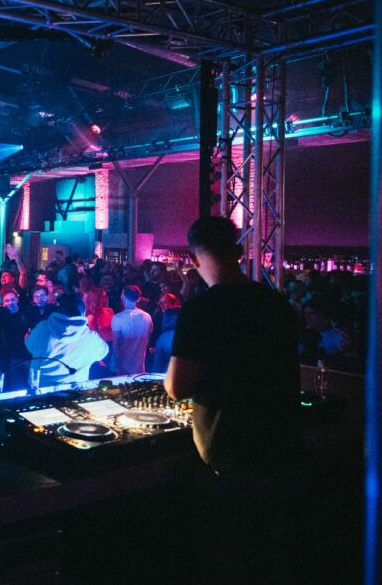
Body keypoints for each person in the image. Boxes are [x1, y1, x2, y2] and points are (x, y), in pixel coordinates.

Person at [165, 216, 301, 583]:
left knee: (228, 558)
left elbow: (177, 387)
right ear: (238, 252)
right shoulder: (276, 305)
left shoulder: (199, 311)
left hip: (232, 458)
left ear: (194, 259)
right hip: (282, 448)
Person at [25, 293, 108, 387]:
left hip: (42, 389)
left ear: (59, 309)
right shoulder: (91, 337)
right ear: (83, 312)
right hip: (76, 389)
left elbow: (30, 346)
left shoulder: (43, 328)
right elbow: (104, 352)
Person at [111, 285, 153, 375]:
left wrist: (119, 367)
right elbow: (148, 338)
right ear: (138, 299)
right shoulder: (147, 317)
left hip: (122, 367)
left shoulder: (118, 318)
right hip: (139, 366)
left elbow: (116, 345)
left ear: (123, 296)